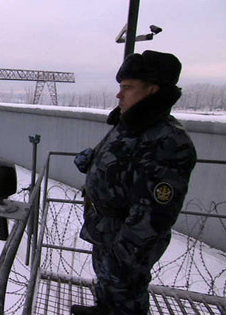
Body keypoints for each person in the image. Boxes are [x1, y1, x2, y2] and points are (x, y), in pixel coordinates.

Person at [71, 50, 197, 315]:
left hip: (127, 241)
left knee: (125, 294)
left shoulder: (168, 142)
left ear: (152, 90)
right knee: (107, 284)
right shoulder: (129, 124)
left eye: (127, 88)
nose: (119, 95)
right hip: (106, 229)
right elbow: (120, 158)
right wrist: (92, 161)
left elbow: (154, 215)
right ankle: (103, 308)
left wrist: (123, 257)